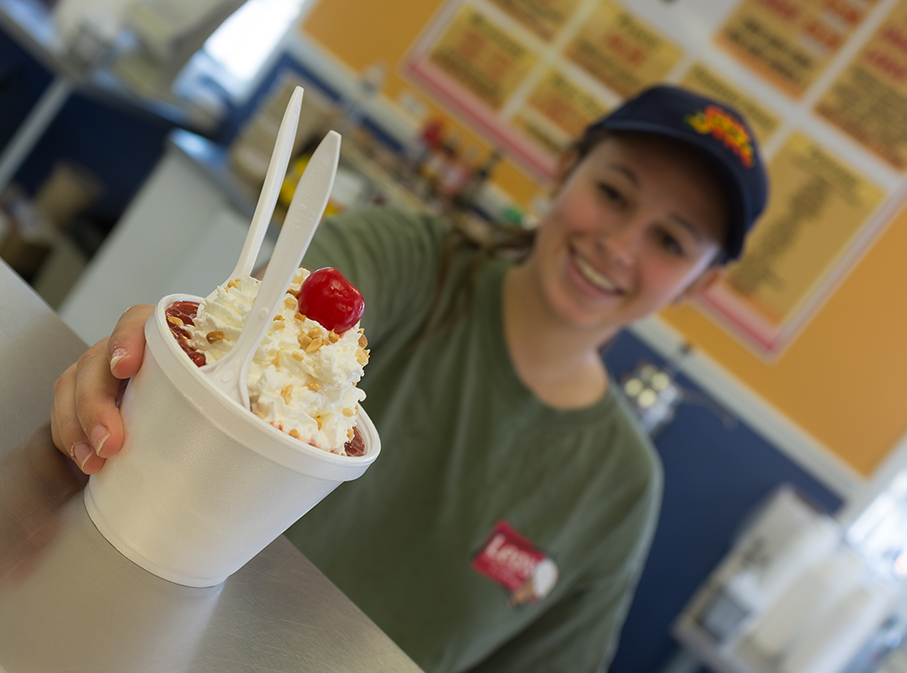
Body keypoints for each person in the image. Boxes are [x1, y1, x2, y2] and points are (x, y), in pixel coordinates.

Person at [49, 85, 768, 672]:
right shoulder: (403, 260)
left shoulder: (619, 491)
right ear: (567, 166)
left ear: (702, 284)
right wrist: (153, 383)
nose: (619, 243)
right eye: (614, 193)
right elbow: (244, 343)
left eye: (671, 241)